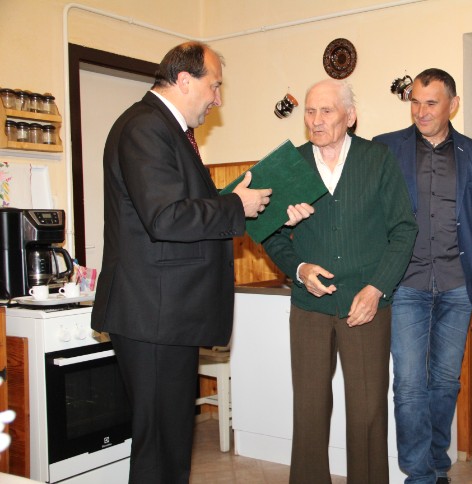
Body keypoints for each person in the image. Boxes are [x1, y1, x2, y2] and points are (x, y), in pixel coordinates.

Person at [91, 41, 312, 483]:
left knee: (171, 442)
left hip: (165, 315)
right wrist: (234, 205)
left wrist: (259, 208)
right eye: (215, 86)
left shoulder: (165, 130)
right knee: (160, 449)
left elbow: (189, 211)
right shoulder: (145, 127)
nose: (218, 99)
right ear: (184, 80)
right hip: (153, 314)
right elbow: (165, 217)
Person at [262, 79, 417, 484]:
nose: (316, 120)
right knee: (309, 411)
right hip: (309, 307)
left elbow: (404, 229)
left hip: (366, 306)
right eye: (310, 111)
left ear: (349, 116)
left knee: (367, 412)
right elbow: (270, 233)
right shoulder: (291, 165)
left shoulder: (377, 159)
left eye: (326, 111)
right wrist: (299, 269)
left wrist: (377, 288)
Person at [373, 68, 472, 484]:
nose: (421, 112)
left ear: (452, 105)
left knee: (444, 383)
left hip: (458, 286)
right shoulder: (385, 148)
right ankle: (418, 475)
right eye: (415, 102)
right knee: (408, 385)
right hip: (406, 284)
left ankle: (438, 463)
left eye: (431, 103)